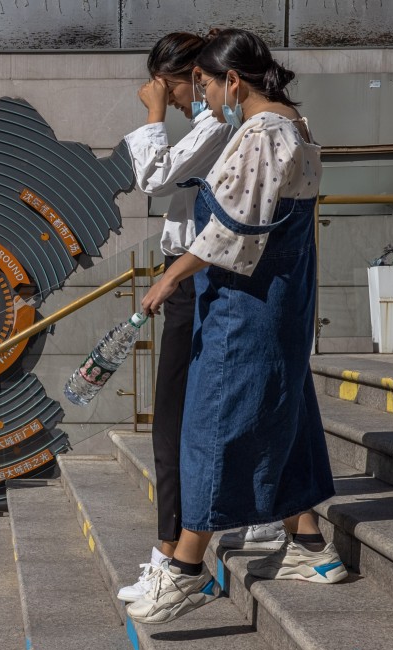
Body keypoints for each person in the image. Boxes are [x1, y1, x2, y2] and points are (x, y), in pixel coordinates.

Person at [128, 27, 348, 625]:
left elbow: (235, 228)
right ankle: (309, 549)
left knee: (212, 420)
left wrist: (171, 276)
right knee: (286, 412)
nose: (204, 100)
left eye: (204, 85)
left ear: (232, 79)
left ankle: (187, 571)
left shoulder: (261, 131)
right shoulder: (297, 125)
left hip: (244, 302)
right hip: (283, 293)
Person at [116, 31, 284, 606]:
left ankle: (175, 552)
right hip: (190, 272)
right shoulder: (231, 125)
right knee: (183, 418)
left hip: (197, 274)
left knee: (176, 420)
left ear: (214, 76)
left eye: (185, 87)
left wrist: (154, 115)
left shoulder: (223, 127)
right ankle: (187, 544)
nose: (189, 99)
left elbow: (152, 178)